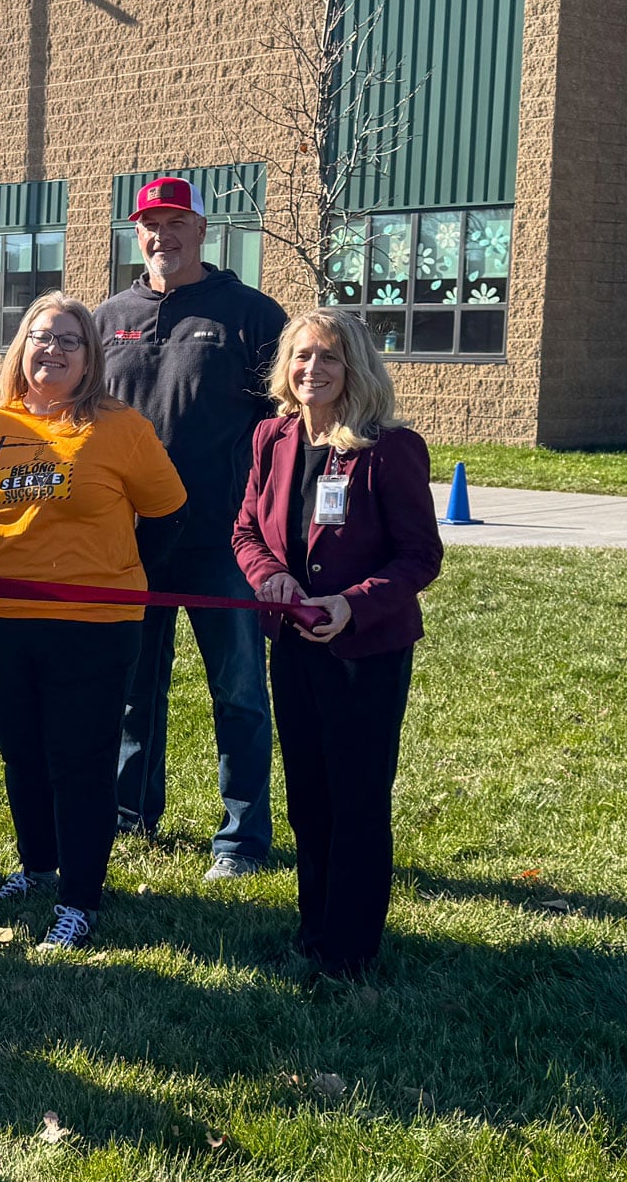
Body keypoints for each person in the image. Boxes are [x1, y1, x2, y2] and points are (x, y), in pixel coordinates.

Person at [0, 292, 188, 953]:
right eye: (39, 337)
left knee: (78, 762)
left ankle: (79, 900)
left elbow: (170, 516)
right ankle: (36, 866)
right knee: (21, 750)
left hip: (91, 625)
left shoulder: (121, 429)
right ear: (20, 349)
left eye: (68, 340)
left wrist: (114, 574)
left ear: (91, 359)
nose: (51, 350)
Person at [232, 308, 441, 981]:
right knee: (308, 796)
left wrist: (352, 605)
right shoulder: (272, 437)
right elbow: (246, 532)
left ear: (355, 367)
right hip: (294, 644)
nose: (311, 370)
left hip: (365, 652)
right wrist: (273, 577)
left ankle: (349, 950)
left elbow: (420, 557)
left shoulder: (388, 449)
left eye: (327, 357)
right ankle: (313, 928)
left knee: (356, 796)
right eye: (300, 357)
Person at [96, 175, 287, 879]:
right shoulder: (106, 316)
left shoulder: (251, 315)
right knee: (130, 691)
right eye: (149, 223)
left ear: (202, 230)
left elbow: (287, 424)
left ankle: (240, 838)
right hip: (130, 542)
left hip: (222, 541)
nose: (161, 236)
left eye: (176, 222)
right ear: (135, 231)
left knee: (238, 690)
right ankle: (129, 814)